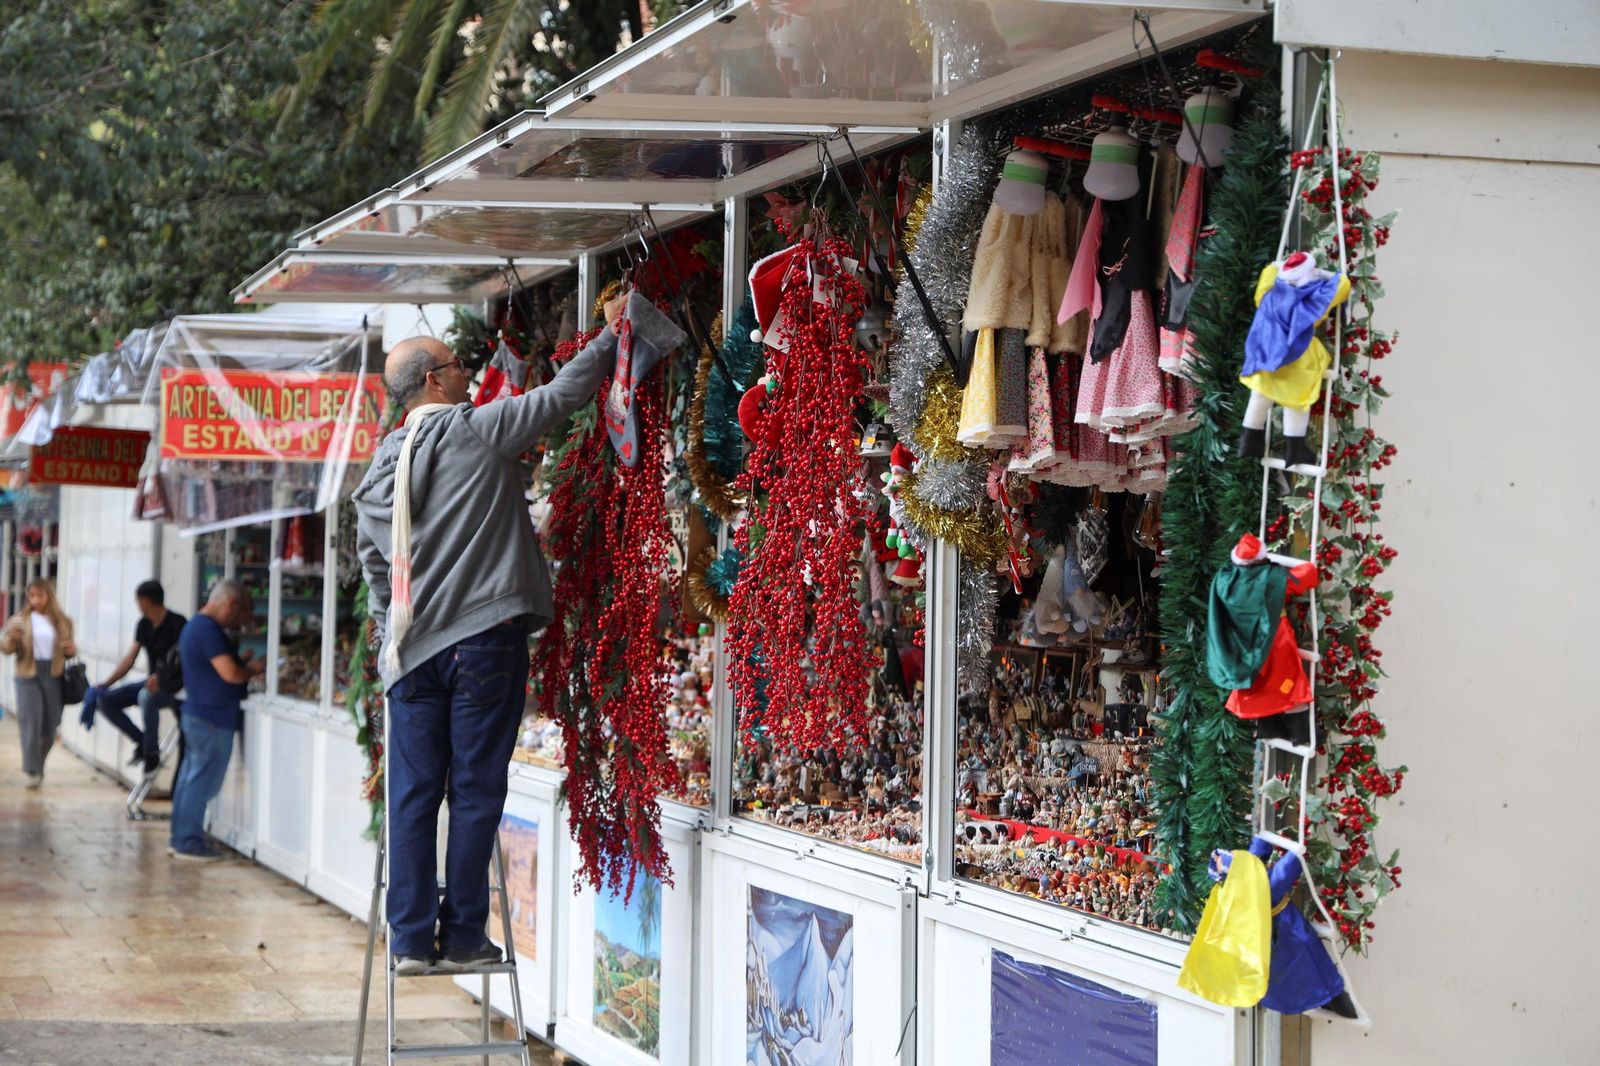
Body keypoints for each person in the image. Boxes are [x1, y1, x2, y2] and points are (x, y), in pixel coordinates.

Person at [353, 294, 629, 975]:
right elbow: (565, 393)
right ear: (432, 381)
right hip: (481, 642)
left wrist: (399, 623)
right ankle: (467, 933)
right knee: (475, 789)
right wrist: (623, 327)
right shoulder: (475, 430)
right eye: (455, 366)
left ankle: (412, 940)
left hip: (411, 655)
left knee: (414, 796)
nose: (467, 375)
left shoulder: (382, 467)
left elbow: (373, 566)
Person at [169, 579, 264, 861]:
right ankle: (188, 841)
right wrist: (252, 669)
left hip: (200, 715)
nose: (240, 621)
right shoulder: (207, 630)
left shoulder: (196, 626)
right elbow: (230, 674)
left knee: (190, 780)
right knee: (200, 783)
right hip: (211, 719)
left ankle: (181, 837)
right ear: (230, 603)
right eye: (240, 613)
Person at [92, 580, 186, 778]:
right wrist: (107, 683)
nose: (137, 605)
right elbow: (130, 658)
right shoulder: (143, 625)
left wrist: (161, 678)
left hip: (173, 687)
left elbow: (183, 662)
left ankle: (151, 753)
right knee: (104, 701)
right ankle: (142, 742)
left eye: (138, 601)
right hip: (150, 683)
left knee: (145, 697)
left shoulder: (178, 623)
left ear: (146, 601)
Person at [1, 580, 76, 789]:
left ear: (49, 596)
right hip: (27, 673)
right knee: (31, 721)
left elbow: (70, 650)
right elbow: (7, 649)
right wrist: (11, 638)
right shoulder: (19, 620)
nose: (36, 600)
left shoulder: (63, 621)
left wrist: (70, 649)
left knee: (51, 726)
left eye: (40, 595)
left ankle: (38, 764)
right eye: (32, 595)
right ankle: (32, 770)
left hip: (53, 674)